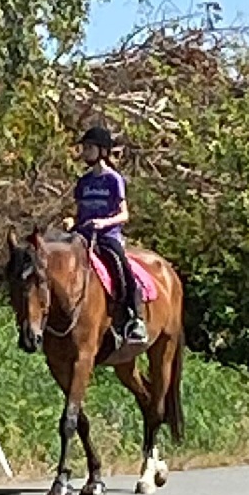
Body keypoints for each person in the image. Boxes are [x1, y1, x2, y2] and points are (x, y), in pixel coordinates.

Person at [71, 126, 148, 345]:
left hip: (108, 235)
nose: (85, 152)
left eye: (89, 148)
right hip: (83, 235)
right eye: (84, 148)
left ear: (103, 151)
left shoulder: (114, 180)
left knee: (120, 264)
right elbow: (79, 212)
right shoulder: (83, 182)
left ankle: (135, 316)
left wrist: (104, 222)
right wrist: (72, 222)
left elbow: (124, 215)